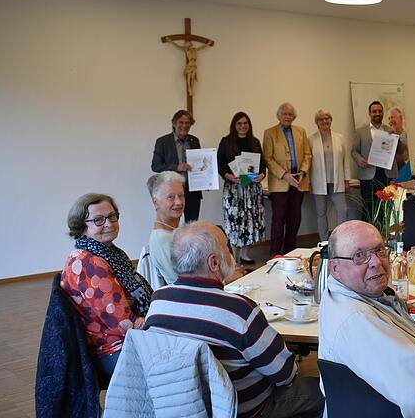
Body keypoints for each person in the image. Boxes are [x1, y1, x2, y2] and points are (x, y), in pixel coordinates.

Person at [144, 221, 324, 418]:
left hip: (187, 407)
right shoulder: (238, 309)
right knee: (323, 390)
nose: (230, 253)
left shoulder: (158, 301)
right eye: (227, 247)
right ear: (214, 262)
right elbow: (285, 374)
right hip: (245, 409)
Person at [318, 220, 415, 417]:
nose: (376, 262)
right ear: (335, 268)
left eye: (379, 250)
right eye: (359, 256)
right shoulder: (356, 319)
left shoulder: (341, 295)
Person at [61, 193, 152, 384]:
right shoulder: (90, 263)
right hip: (111, 351)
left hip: (119, 342)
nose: (109, 223)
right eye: (98, 220)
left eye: (112, 216)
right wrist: (162, 320)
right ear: (82, 225)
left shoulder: (107, 253)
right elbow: (124, 324)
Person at [263, 103, 312, 256]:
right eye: (285, 114)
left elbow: (307, 155)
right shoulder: (269, 133)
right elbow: (268, 158)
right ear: (279, 116)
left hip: (299, 180)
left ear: (294, 117)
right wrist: (285, 175)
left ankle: (290, 252)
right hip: (280, 182)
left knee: (295, 219)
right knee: (279, 220)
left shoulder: (301, 131)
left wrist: (303, 172)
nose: (287, 117)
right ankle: (275, 254)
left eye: (290, 114)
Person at [218, 111, 267, 263]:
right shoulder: (226, 142)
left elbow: (263, 164)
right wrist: (229, 176)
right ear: (234, 125)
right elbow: (219, 164)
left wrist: (262, 175)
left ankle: (245, 255)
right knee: (234, 221)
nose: (242, 126)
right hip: (234, 189)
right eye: (239, 123)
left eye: (245, 123)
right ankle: (233, 255)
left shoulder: (255, 142)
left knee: (250, 220)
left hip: (251, 189)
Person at [352, 101, 407, 221]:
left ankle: (384, 234)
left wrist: (397, 135)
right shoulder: (360, 131)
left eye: (380, 111)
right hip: (368, 174)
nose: (377, 114)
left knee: (386, 206)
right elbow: (354, 151)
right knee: (368, 207)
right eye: (374, 111)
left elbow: (401, 150)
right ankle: (368, 236)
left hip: (386, 174)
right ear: (370, 113)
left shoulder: (390, 130)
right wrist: (360, 160)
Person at [151, 109, 202, 222]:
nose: (184, 125)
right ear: (174, 123)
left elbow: (200, 164)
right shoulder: (162, 141)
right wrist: (176, 167)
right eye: (181, 122)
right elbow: (155, 166)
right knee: (171, 223)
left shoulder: (195, 141)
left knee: (192, 224)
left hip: (193, 190)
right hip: (172, 190)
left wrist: (205, 181)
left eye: (187, 123)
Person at [309, 109, 351, 241]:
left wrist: (346, 180)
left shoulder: (339, 138)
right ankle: (324, 241)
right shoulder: (311, 139)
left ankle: (340, 240)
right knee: (321, 213)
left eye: (327, 118)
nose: (324, 121)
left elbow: (345, 160)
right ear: (316, 122)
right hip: (318, 181)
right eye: (321, 119)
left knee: (342, 210)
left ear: (331, 120)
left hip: (337, 180)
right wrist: (308, 182)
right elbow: (308, 162)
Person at [146, 171, 186, 286]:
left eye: (181, 196)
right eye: (171, 197)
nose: (178, 202)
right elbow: (182, 284)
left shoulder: (174, 231)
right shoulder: (162, 239)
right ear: (156, 202)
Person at [388, 107, 411, 181]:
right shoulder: (388, 135)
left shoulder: (408, 135)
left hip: (405, 171)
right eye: (389, 118)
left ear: (400, 119)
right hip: (391, 173)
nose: (391, 120)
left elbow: (408, 155)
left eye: (392, 117)